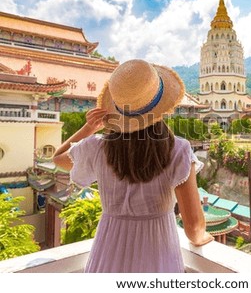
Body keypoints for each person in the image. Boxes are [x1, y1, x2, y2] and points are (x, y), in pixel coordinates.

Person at [53, 59, 213, 272]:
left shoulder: (97, 147)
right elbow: (193, 228)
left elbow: (58, 158)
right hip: (158, 256)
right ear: (161, 108)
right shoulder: (178, 150)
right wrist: (204, 237)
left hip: (107, 253)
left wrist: (88, 128)